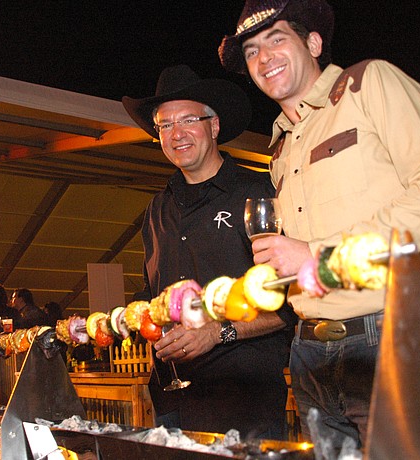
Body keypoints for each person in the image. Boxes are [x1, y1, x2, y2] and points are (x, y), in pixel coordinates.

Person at [218, 0, 420, 447]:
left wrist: (319, 254)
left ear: (313, 43)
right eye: (251, 51)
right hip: (309, 351)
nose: (263, 58)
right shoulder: (280, 148)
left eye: (276, 39)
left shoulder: (368, 83)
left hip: (387, 337)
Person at [122, 65, 298, 439]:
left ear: (214, 126)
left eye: (188, 120)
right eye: (165, 125)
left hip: (243, 403)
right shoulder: (157, 210)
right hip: (171, 401)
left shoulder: (258, 193)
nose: (176, 133)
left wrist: (218, 332)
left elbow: (289, 299)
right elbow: (151, 295)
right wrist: (132, 319)